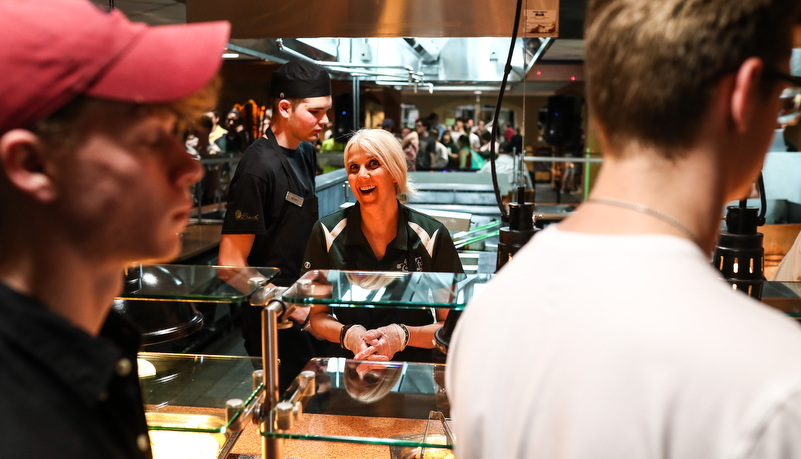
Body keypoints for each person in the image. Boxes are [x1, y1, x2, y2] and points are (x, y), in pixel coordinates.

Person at [447, 0, 801, 457]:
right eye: (785, 94)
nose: (782, 114)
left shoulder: (488, 315)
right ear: (744, 94)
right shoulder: (774, 382)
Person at [0, 1, 227, 457]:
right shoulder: (23, 429)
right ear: (34, 164)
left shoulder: (89, 352)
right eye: (149, 138)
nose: (190, 168)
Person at [301, 129, 463, 363]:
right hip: (348, 366)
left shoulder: (432, 235)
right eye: (353, 168)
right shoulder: (326, 232)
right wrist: (349, 335)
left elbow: (449, 327)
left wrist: (402, 336)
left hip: (413, 370)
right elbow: (318, 316)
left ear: (395, 172)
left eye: (373, 164)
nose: (361, 175)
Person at [219, 60, 332, 391]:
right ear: (285, 107)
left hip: (307, 307)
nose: (325, 121)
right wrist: (288, 304)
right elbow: (229, 265)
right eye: (316, 112)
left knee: (315, 404)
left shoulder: (305, 153)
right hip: (275, 319)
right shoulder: (257, 168)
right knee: (286, 411)